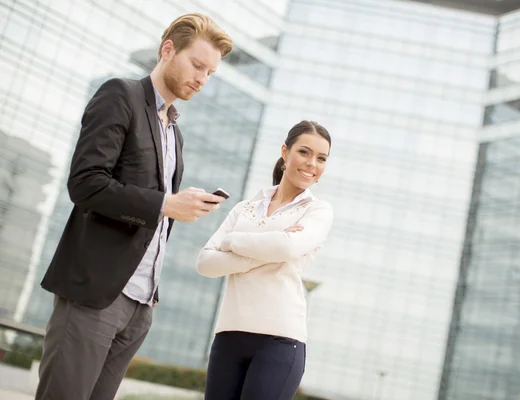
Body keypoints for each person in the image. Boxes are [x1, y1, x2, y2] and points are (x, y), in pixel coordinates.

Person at [35, 13, 232, 400]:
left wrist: (173, 205)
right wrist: (165, 203)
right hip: (96, 294)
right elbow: (86, 183)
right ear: (168, 49)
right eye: (197, 65)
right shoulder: (120, 95)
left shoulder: (175, 132)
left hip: (141, 304)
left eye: (210, 73)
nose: (202, 79)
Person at [197, 120, 334, 400]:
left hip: (280, 341)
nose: (312, 164)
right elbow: (205, 263)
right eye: (304, 152)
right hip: (228, 336)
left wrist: (233, 242)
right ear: (285, 151)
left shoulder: (318, 211)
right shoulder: (244, 209)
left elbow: (287, 249)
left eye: (321, 158)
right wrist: (266, 250)